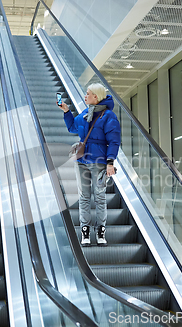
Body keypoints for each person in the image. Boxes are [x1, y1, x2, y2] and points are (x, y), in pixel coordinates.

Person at [58, 83, 121, 246]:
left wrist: (110, 162)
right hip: (82, 162)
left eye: (88, 94)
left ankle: (100, 231)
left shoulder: (108, 116)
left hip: (99, 162)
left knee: (99, 197)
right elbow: (73, 127)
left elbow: (114, 141)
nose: (85, 96)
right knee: (84, 197)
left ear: (96, 97)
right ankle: (85, 231)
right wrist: (66, 111)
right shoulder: (85, 113)